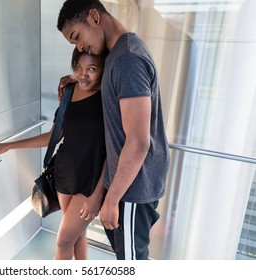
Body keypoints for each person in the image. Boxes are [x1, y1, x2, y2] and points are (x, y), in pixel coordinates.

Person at [57, 0, 170, 260]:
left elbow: (138, 142)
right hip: (126, 181)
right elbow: (115, 85)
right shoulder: (119, 53)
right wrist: (79, 78)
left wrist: (110, 199)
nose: (80, 47)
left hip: (133, 187)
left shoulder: (127, 60)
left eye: (77, 37)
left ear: (94, 17)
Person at [0, 48, 107, 260]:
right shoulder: (68, 91)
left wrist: (99, 194)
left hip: (91, 181)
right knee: (77, 235)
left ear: (104, 69)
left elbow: (116, 150)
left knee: (64, 240)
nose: (83, 74)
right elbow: (54, 136)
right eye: (78, 67)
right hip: (64, 175)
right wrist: (7, 145)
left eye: (92, 69)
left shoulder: (109, 97)